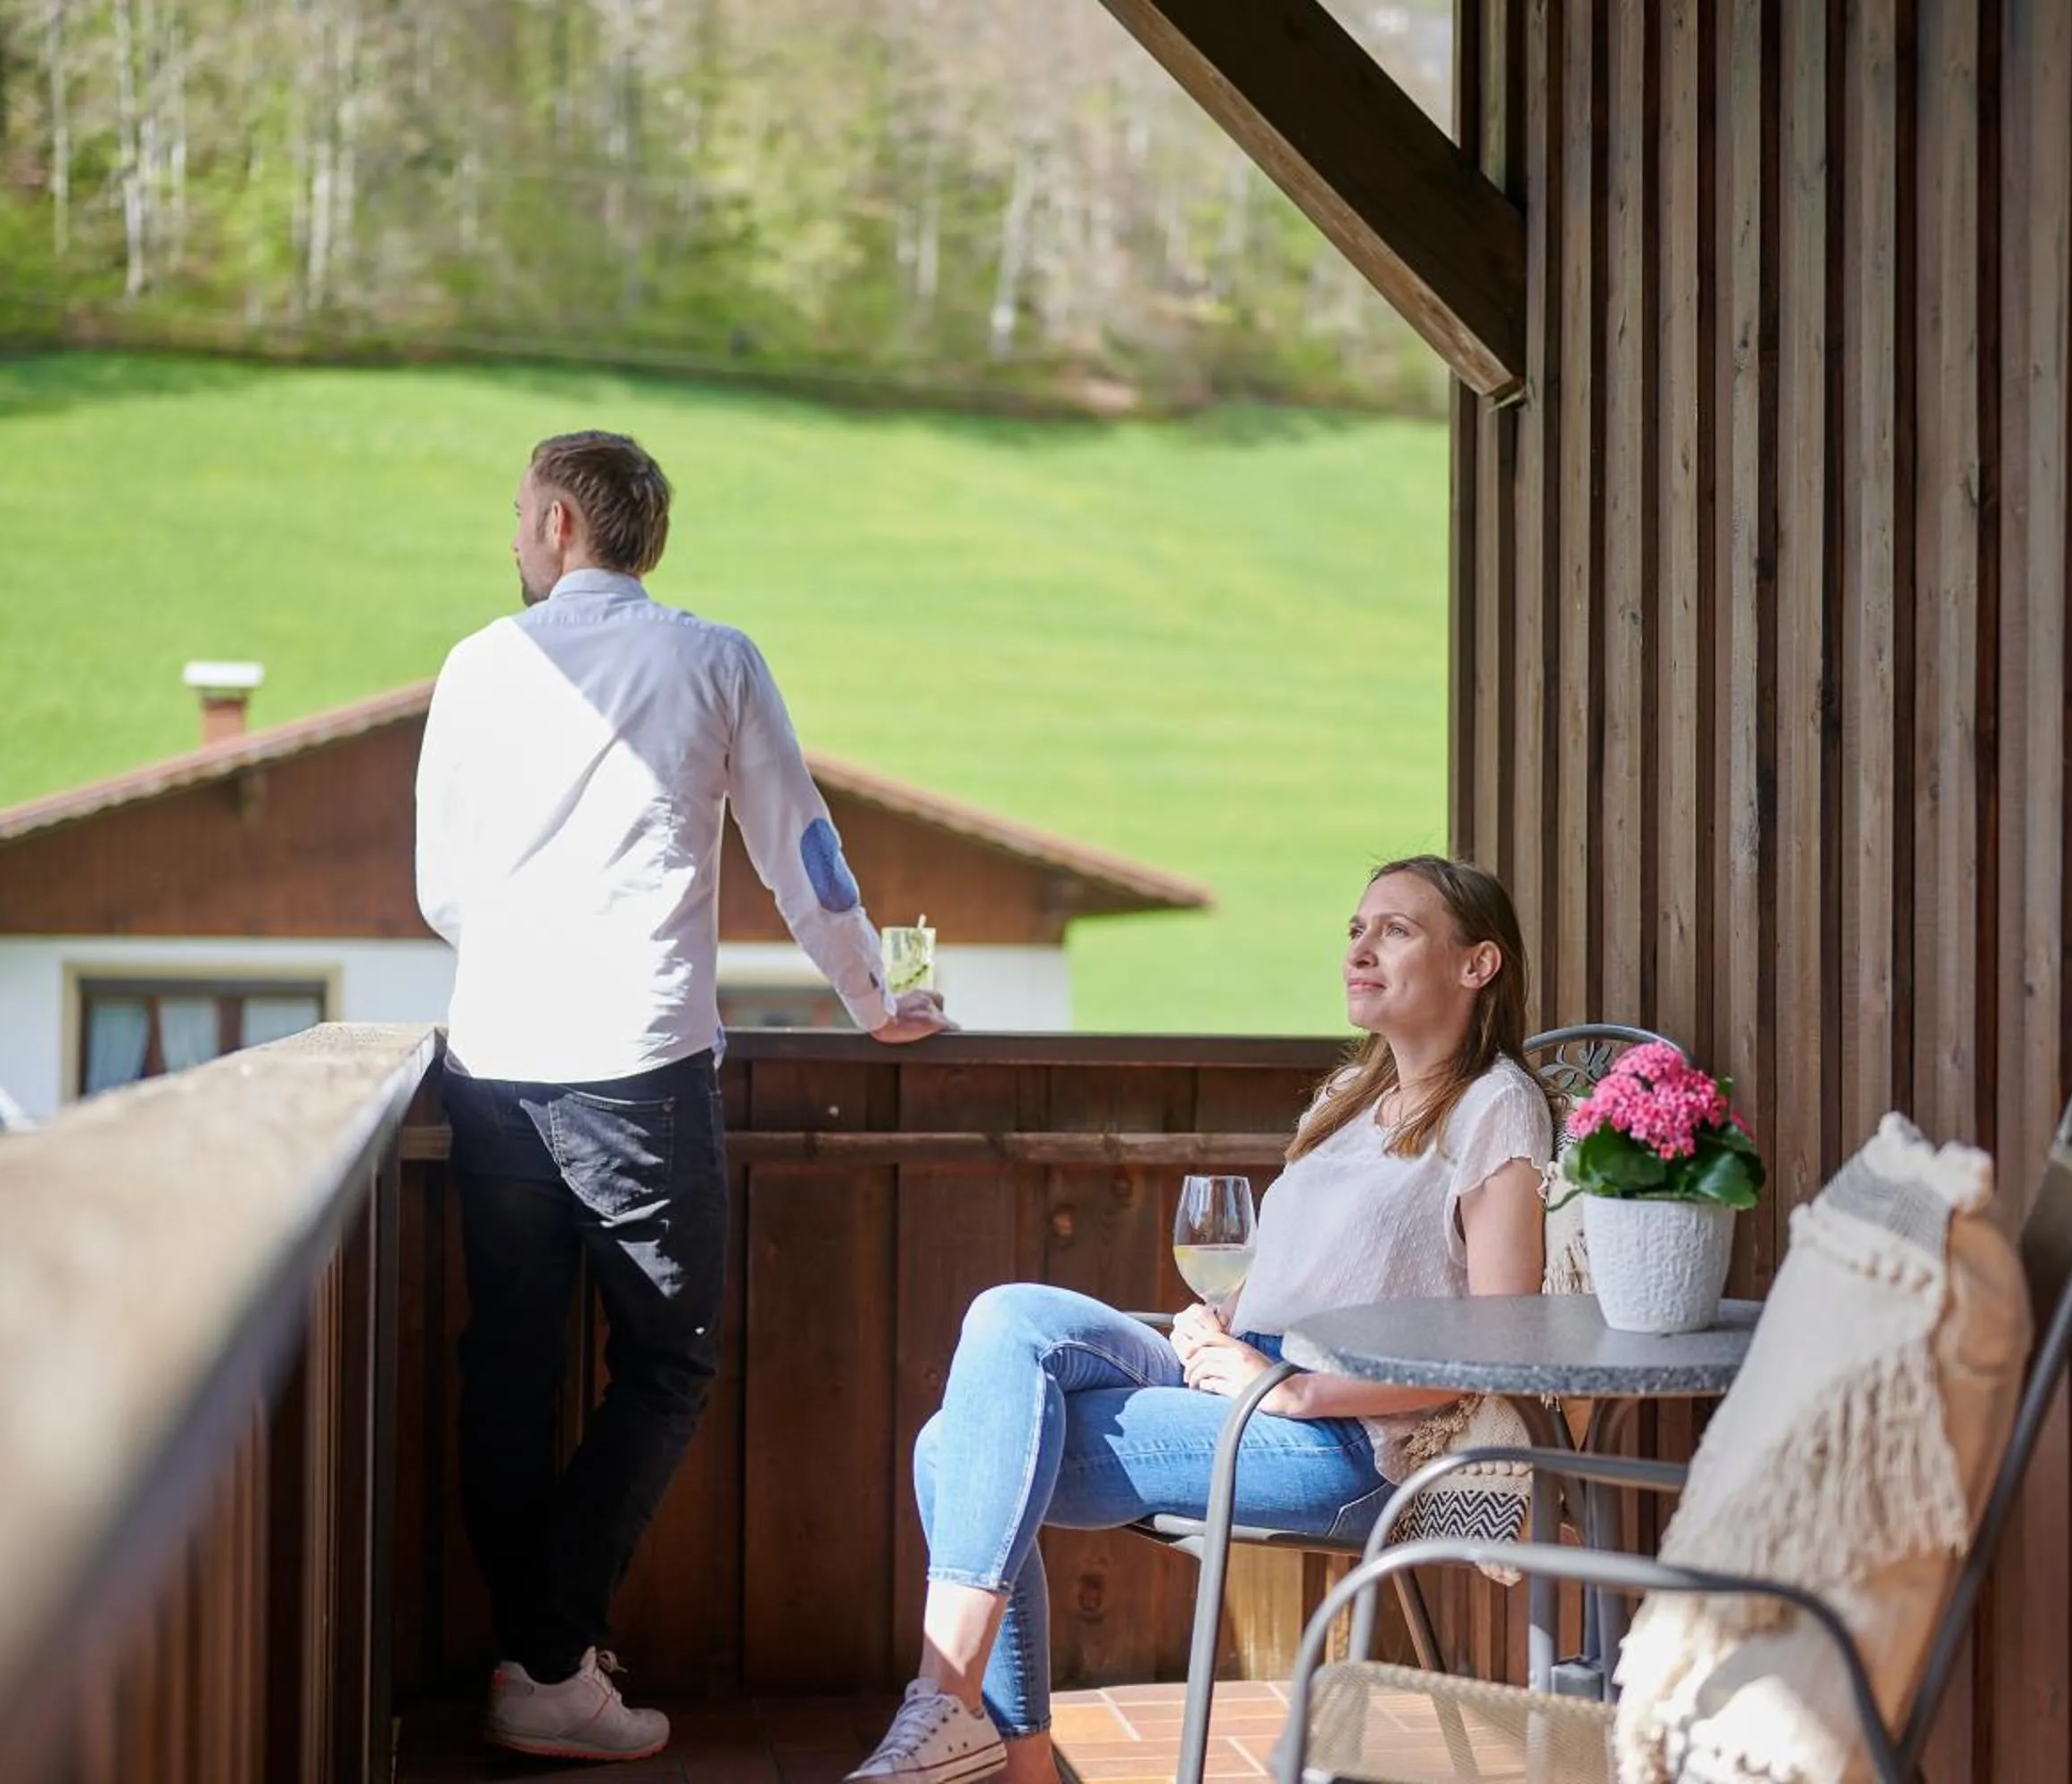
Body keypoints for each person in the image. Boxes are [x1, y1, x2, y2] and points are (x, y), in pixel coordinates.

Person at [416, 430, 951, 1763]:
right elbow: (801, 847)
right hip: (638, 1068)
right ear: (645, 537)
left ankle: (547, 1656)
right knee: (670, 1362)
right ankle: (549, 1662)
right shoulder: (716, 659)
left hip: (490, 1062)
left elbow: (440, 889)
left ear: (552, 526)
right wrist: (873, 998)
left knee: (511, 1366)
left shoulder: (479, 665)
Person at [847, 856, 1554, 1784]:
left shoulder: (1496, 1107)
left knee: (953, 1451)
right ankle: (958, 1717)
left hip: (1341, 1438)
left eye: (1397, 928)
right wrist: (1230, 1316)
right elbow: (1322, 1268)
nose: (1360, 946)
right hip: (1242, 1374)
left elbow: (1497, 1352)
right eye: (1355, 926)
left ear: (1479, 964)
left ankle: (975, 1730)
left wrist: (1296, 1389)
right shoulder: (1347, 1103)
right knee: (1009, 1313)